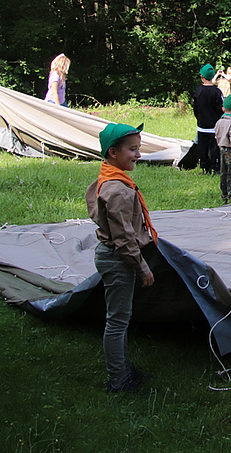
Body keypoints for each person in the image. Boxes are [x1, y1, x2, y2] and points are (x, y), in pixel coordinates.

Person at [86, 123, 156, 393]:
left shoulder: (108, 177)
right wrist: (142, 268)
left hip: (115, 256)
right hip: (119, 260)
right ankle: (119, 380)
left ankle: (125, 369)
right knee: (117, 322)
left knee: (121, 318)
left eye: (138, 148)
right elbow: (124, 239)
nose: (138, 154)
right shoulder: (118, 191)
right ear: (113, 152)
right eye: (132, 149)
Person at [192, 64, 223, 174]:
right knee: (215, 148)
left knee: (203, 148)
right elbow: (221, 108)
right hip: (215, 126)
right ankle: (216, 167)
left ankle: (205, 167)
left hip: (202, 126)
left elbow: (195, 108)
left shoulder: (198, 90)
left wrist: (199, 118)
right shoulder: (217, 92)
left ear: (202, 77)